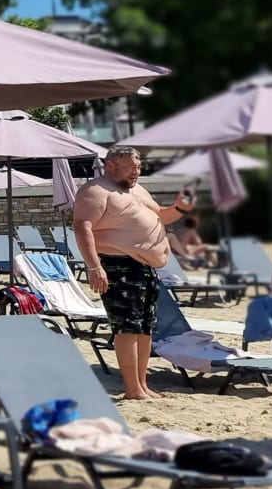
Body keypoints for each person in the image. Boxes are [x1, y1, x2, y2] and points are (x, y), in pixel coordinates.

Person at [73, 146, 195, 400]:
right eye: (131, 167)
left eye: (139, 167)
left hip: (145, 268)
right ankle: (132, 388)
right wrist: (94, 266)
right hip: (118, 266)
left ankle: (142, 385)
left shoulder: (137, 190)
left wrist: (181, 208)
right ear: (110, 165)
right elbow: (82, 226)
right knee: (127, 328)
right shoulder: (96, 191)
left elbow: (161, 216)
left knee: (145, 328)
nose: (136, 172)